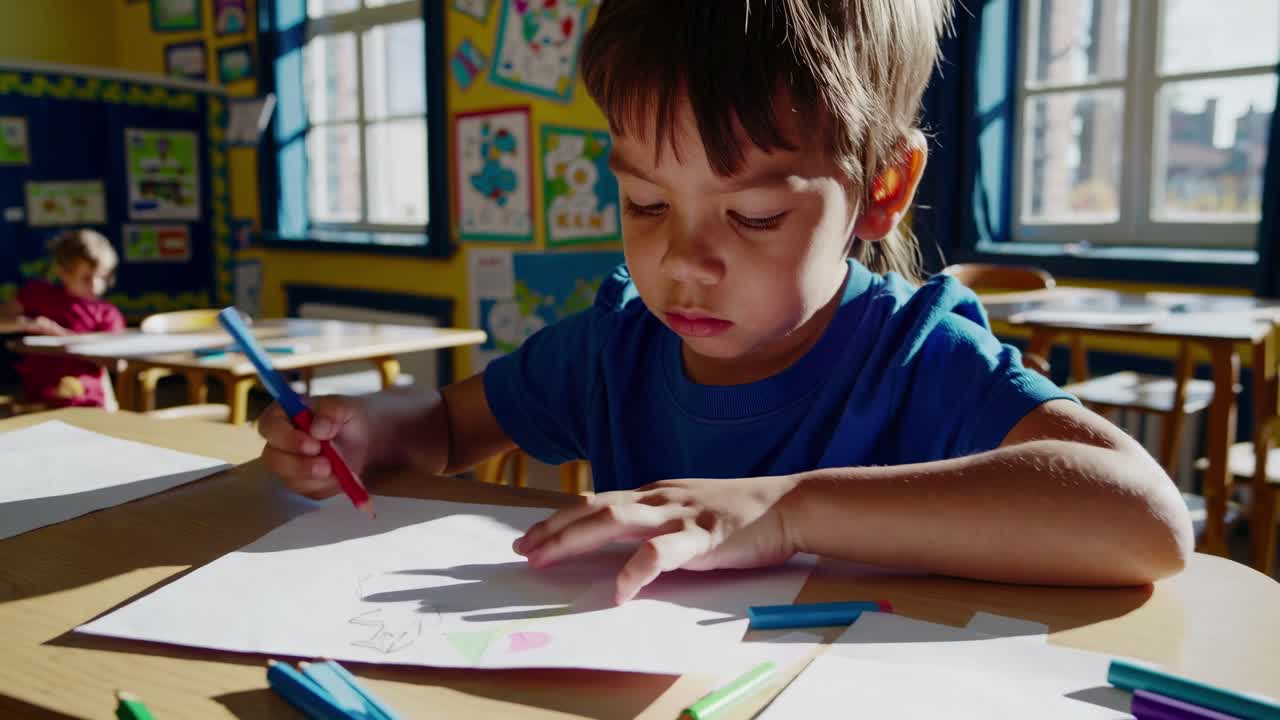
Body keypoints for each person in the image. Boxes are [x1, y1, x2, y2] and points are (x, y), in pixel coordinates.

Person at [258, 0, 1192, 603]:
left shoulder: (913, 360)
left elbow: (1144, 519)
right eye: (645, 203)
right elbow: (446, 427)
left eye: (751, 215)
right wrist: (367, 434)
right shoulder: (614, 347)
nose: (681, 260)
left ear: (882, 187)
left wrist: (784, 509)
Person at [2, 229, 125, 408]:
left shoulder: (107, 313)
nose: (96, 285)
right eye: (86, 278)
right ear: (62, 272)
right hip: (39, 398)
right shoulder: (38, 294)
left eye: (102, 277)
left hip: (89, 400)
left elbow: (117, 363)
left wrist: (64, 338)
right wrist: (29, 323)